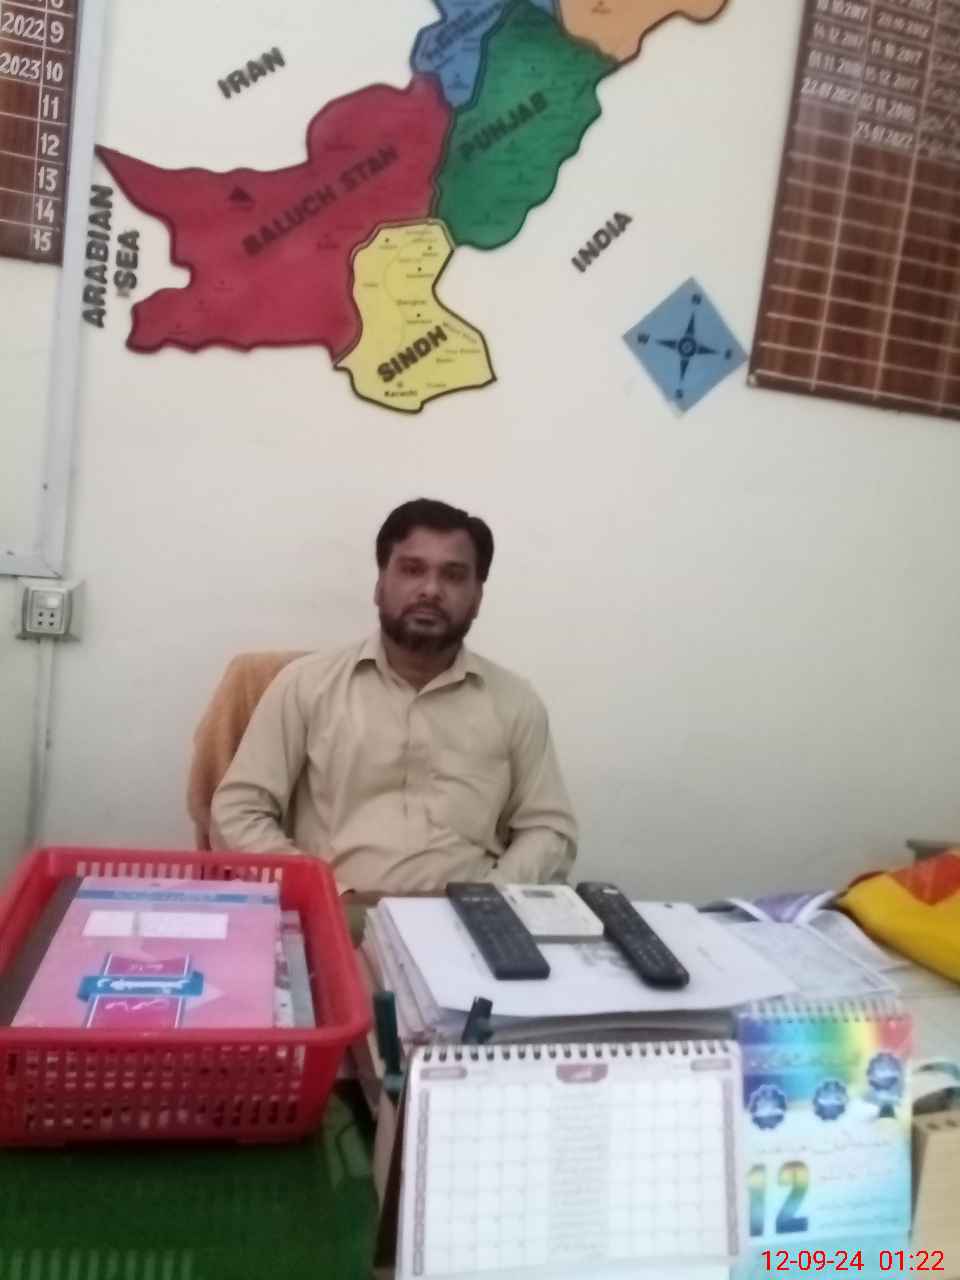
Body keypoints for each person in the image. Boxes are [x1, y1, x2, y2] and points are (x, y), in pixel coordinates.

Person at [211, 498, 577, 892]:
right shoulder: (305, 684)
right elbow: (237, 812)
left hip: (470, 914)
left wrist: (490, 899)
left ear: (477, 599)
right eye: (412, 570)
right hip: (336, 909)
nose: (430, 590)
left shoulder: (514, 702)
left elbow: (549, 829)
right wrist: (319, 891)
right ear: (380, 584)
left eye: (453, 576)